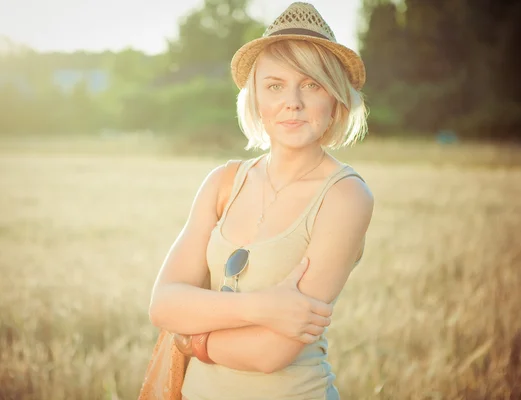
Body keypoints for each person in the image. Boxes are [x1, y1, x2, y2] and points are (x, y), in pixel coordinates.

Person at [148, 2, 374, 399]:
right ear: (255, 98)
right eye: (275, 85)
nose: (293, 102)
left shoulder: (345, 195)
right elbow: (163, 304)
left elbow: (272, 352)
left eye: (312, 84)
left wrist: (192, 340)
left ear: (336, 100)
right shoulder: (223, 182)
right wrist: (264, 308)